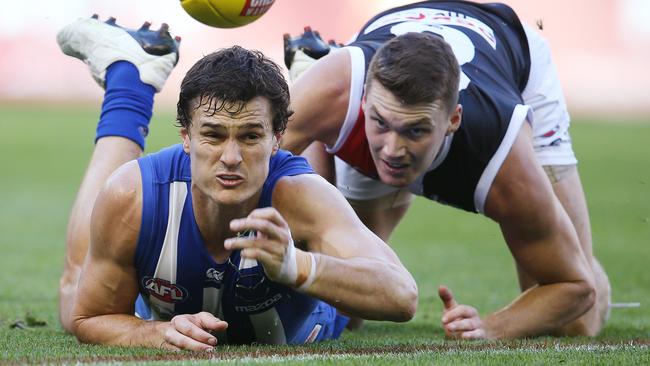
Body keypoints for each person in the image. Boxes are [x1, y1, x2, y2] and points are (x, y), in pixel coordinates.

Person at [56, 16, 417, 351]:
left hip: (308, 311)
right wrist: (154, 331)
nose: (230, 156)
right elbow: (88, 317)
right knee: (74, 291)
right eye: (212, 135)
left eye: (249, 137)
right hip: (154, 209)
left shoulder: (303, 195)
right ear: (186, 136)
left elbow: (402, 296)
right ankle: (131, 77)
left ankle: (313, 79)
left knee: (352, 313)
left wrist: (297, 265)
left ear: (277, 138)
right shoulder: (134, 194)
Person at [281, 1, 610, 339]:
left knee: (574, 323)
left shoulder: (501, 155)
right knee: (345, 305)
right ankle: (320, 103)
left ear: (453, 120)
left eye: (415, 130)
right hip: (348, 81)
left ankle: (574, 245)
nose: (393, 150)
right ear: (365, 100)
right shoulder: (334, 93)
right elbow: (237, 175)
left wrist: (492, 328)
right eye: (380, 123)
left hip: (511, 55)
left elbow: (575, 287)